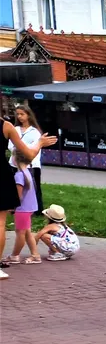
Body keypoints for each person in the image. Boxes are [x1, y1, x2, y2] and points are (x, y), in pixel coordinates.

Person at [0, 116, 55, 279]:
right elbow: (29, 154)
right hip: (0, 176)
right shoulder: (6, 126)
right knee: (0, 223)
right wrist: (40, 143)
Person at [3, 151, 43, 264]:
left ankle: (14, 256)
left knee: (20, 233)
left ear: (16, 159)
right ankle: (35, 255)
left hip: (22, 209)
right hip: (29, 207)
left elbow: (18, 196)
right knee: (27, 232)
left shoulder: (19, 175)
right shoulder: (27, 173)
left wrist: (11, 206)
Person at [8, 104, 43, 213]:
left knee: (33, 187)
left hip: (31, 164)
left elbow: (35, 147)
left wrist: (22, 148)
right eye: (17, 114)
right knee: (15, 185)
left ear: (28, 115)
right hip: (15, 162)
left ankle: (37, 209)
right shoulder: (15, 129)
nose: (19, 116)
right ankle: (14, 206)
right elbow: (10, 145)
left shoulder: (35, 132)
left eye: (22, 114)